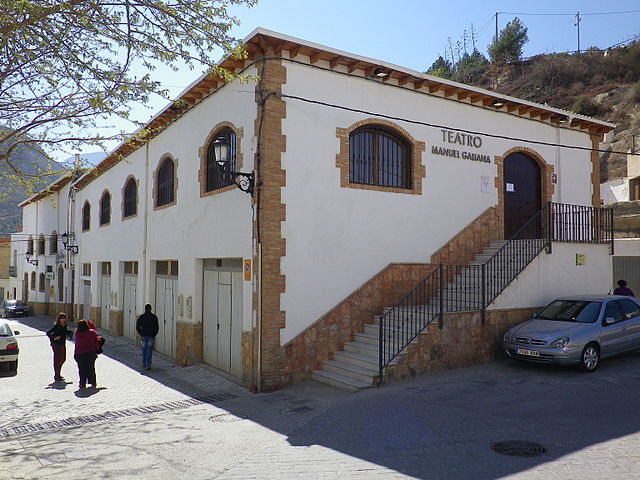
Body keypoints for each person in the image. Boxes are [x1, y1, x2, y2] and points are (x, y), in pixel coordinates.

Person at [74, 319, 101, 389]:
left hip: (79, 354)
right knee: (91, 368)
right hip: (90, 353)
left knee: (81, 369)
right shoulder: (91, 333)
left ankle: (82, 383)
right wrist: (91, 325)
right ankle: (93, 383)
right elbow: (96, 335)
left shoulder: (77, 333)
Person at [46, 313, 73, 382]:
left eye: (64, 318)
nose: (63, 319)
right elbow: (48, 333)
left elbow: (63, 333)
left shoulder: (64, 325)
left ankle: (58, 374)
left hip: (62, 344)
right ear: (59, 319)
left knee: (63, 359)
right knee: (57, 359)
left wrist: (67, 334)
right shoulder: (57, 326)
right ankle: (57, 375)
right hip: (56, 344)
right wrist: (54, 337)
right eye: (61, 318)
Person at [136, 304, 159, 370]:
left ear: (145, 309)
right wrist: (154, 334)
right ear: (151, 309)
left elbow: (138, 326)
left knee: (144, 349)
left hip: (144, 335)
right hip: (151, 336)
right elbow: (157, 327)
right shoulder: (154, 317)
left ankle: (144, 363)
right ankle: (149, 364)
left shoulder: (142, 317)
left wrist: (141, 333)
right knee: (149, 350)